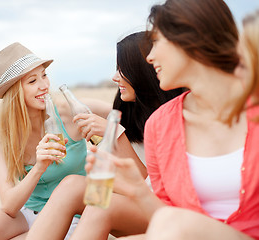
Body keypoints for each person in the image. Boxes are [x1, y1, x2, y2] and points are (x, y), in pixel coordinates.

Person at [86, 0, 259, 239]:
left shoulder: (254, 109)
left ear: (189, 38)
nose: (150, 56)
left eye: (156, 42)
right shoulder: (159, 125)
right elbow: (165, 218)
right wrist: (138, 190)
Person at [26, 32, 184, 240]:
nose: (114, 77)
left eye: (121, 69)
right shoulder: (129, 110)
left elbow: (151, 187)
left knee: (98, 204)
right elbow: (81, 109)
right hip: (133, 203)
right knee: (72, 185)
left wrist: (116, 134)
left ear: (141, 71)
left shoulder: (173, 116)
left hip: (163, 209)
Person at [0, 42, 98, 240]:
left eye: (44, 75)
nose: (44, 85)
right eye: (32, 81)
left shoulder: (69, 110)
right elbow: (8, 206)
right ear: (15, 92)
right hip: (28, 214)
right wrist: (39, 167)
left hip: (72, 216)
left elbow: (120, 114)